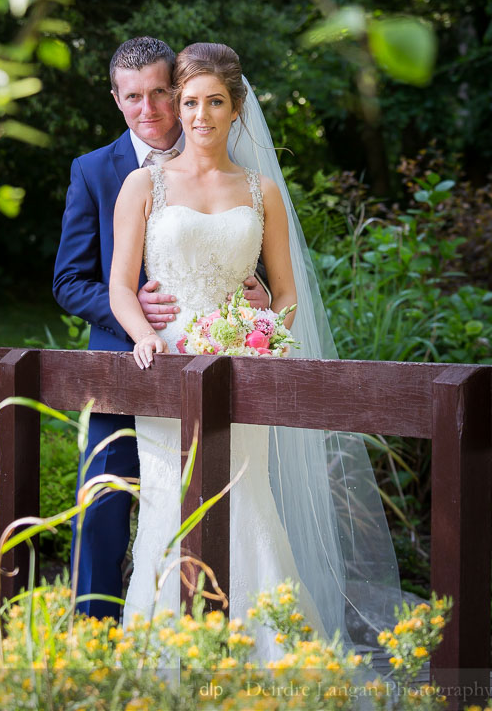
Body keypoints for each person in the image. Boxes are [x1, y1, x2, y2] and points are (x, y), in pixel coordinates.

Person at [109, 42, 401, 660]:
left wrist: (262, 336)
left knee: (248, 500)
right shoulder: (144, 185)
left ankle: (266, 659)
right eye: (189, 102)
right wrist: (143, 335)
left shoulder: (262, 191)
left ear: (237, 109)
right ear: (177, 107)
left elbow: (287, 295)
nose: (200, 115)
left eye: (215, 102)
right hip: (165, 374)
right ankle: (163, 663)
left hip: (244, 374)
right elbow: (118, 285)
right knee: (168, 508)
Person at [53, 36, 267, 620]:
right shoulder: (95, 171)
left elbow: (257, 262)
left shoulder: (223, 159)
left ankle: (209, 624)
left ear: (177, 91)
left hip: (214, 362)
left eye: (158, 94)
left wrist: (263, 296)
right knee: (103, 502)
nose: (147, 110)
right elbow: (69, 280)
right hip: (126, 365)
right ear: (116, 99)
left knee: (216, 498)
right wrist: (132, 312)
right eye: (132, 98)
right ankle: (92, 634)